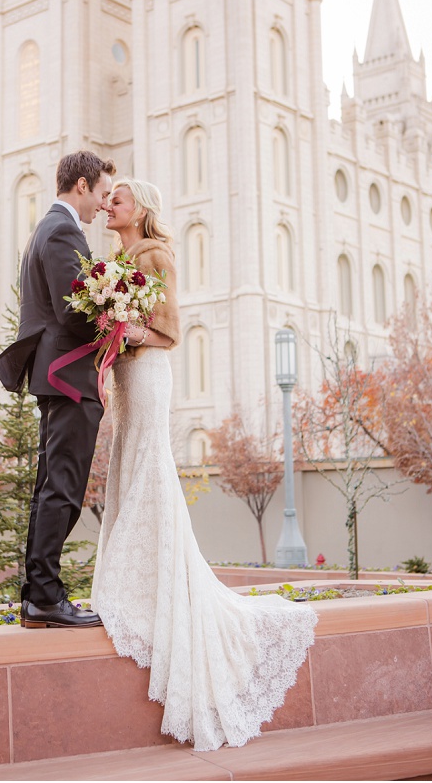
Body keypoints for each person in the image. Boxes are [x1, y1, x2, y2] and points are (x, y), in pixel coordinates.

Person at [90, 178, 317, 750]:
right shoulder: (119, 258)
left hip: (146, 375)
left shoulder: (155, 254)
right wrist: (106, 329)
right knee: (130, 462)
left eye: (117, 199)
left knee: (148, 465)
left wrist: (121, 326)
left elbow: (166, 331)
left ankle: (147, 582)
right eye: (108, 198)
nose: (108, 205)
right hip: (125, 374)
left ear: (140, 208)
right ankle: (136, 576)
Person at [0, 150, 114, 628]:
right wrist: (116, 328)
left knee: (52, 486)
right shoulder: (63, 230)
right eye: (101, 193)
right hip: (67, 376)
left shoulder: (46, 228)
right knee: (62, 487)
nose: (102, 204)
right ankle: (45, 595)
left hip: (57, 376)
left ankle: (39, 595)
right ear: (80, 186)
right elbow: (73, 311)